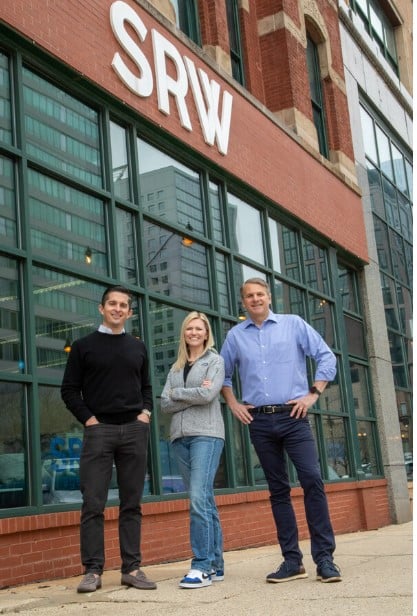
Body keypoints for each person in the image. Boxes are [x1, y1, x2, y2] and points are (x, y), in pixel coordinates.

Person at [220, 278, 342, 584]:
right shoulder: (235, 336)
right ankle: (292, 561)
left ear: (269, 297)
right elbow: (222, 374)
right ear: (243, 301)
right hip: (259, 422)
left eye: (260, 294)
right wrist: (233, 403)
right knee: (278, 490)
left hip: (294, 416)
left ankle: (325, 559)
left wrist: (313, 393)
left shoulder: (293, 324)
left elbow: (327, 357)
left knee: (312, 480)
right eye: (249, 296)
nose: (255, 299)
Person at [61, 285, 157, 593]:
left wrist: (145, 414)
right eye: (112, 304)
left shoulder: (137, 347)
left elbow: (146, 388)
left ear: (129, 312)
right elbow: (69, 390)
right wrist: (89, 420)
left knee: (132, 503)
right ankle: (92, 570)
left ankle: (132, 568)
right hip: (99, 431)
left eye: (123, 305)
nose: (117, 308)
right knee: (93, 504)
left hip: (133, 430)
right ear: (102, 308)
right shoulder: (83, 346)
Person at [161, 311, 225, 589]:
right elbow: (164, 403)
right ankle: (216, 565)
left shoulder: (215, 361)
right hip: (179, 437)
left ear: (206, 333)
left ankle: (200, 566)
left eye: (199, 328)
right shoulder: (175, 368)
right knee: (205, 501)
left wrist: (178, 394)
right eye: (189, 328)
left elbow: (209, 395)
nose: (194, 333)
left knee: (198, 498)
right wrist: (192, 393)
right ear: (184, 333)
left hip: (207, 436)